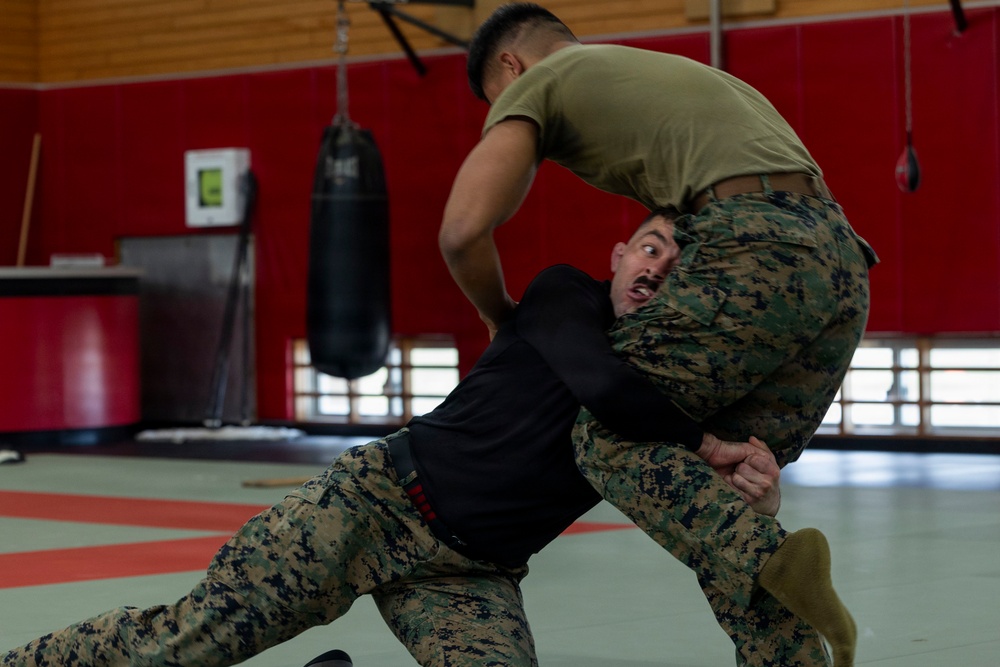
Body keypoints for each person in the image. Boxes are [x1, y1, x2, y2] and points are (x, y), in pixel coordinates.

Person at [1, 212, 849, 667]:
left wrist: (755, 482)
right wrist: (708, 444)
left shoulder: (668, 380)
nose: (657, 269)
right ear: (620, 251)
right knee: (187, 644)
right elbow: (601, 387)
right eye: (652, 247)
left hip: (471, 570)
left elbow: (683, 465)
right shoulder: (566, 298)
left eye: (675, 268)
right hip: (369, 507)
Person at [440, 4, 876, 665]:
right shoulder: (660, 74)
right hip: (843, 258)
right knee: (727, 480)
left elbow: (462, 230)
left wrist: (501, 315)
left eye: (495, 103)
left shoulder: (541, 79)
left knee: (611, 431)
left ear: (511, 65)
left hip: (755, 241)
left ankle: (771, 554)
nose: (498, 117)